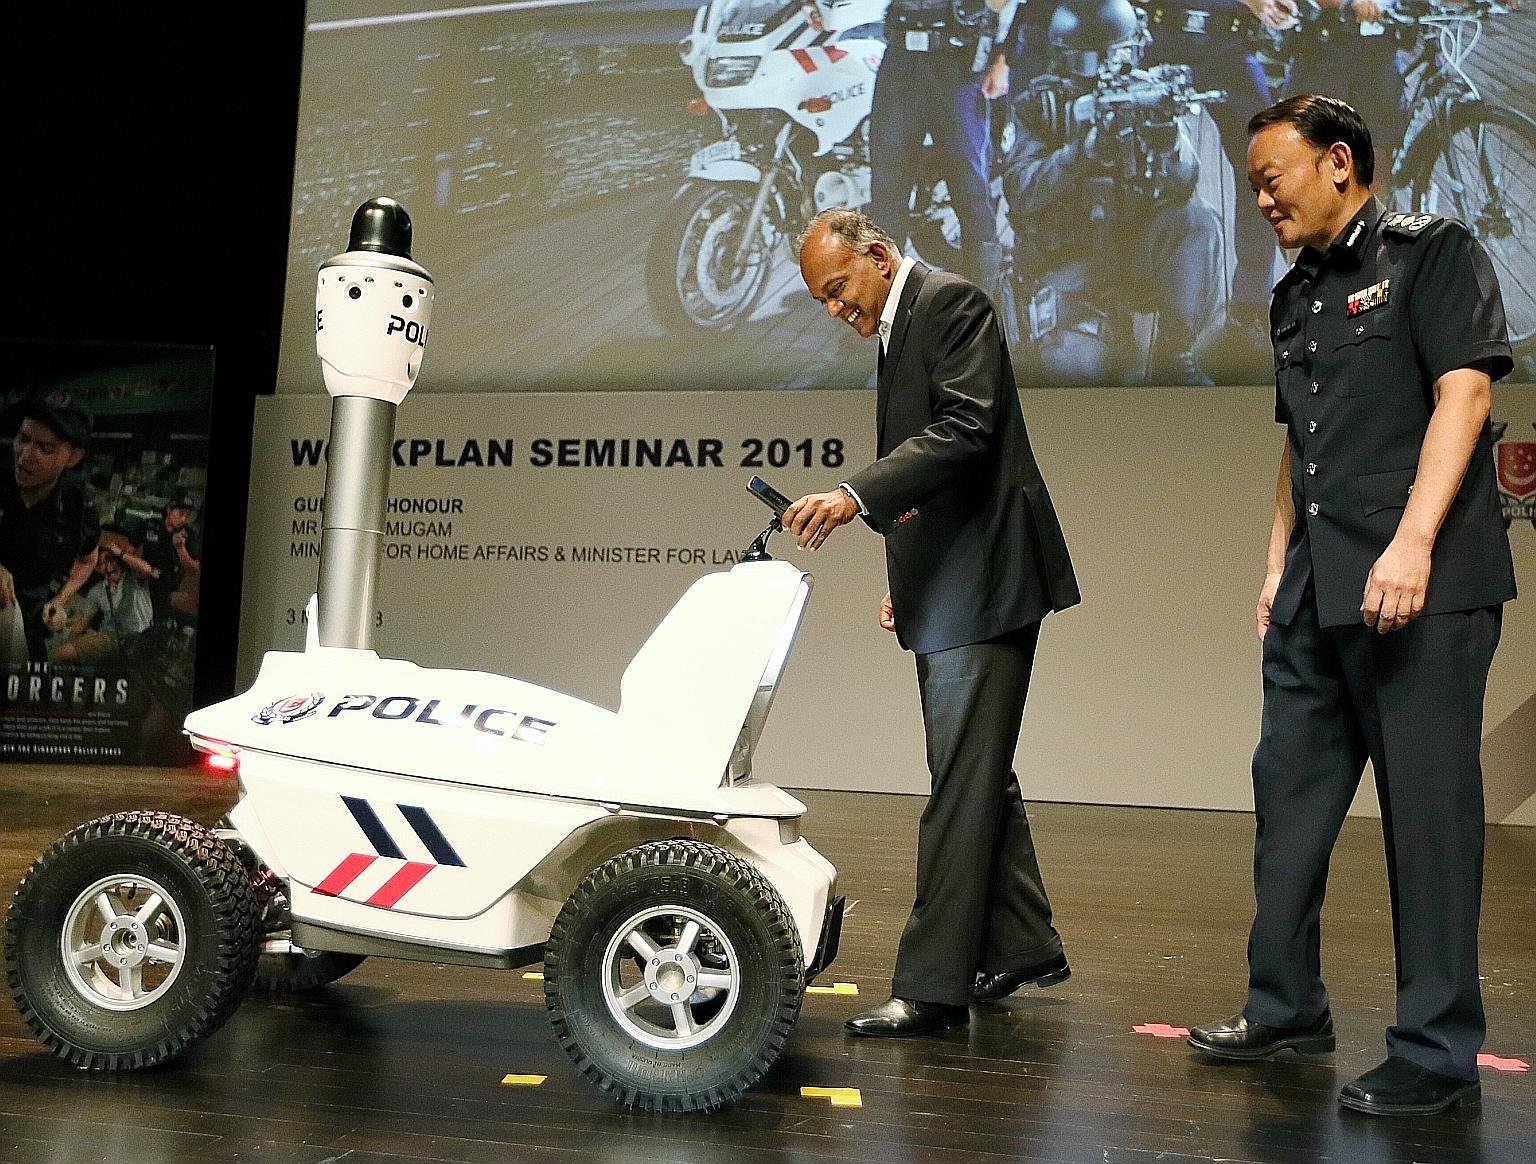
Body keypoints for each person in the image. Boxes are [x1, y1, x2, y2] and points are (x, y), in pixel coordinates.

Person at [1188, 95, 1515, 1118]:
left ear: (1339, 162)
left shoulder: (1433, 254)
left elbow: (1466, 396)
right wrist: (1273, 566)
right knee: (1286, 801)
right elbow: (1302, 443)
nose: (1261, 199)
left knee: (1428, 821)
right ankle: (1285, 1005)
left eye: (1272, 178)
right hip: (1315, 589)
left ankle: (1437, 1049)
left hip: (1425, 586)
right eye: (1251, 186)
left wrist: (1413, 543)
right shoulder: (1293, 295)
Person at [785, 207, 1081, 1037]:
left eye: (838, 288)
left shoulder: (950, 302)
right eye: (822, 300)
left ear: (879, 255)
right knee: (975, 772)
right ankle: (1022, 946)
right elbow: (935, 475)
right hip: (954, 580)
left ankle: (933, 989)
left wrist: (853, 496)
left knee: (959, 781)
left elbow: (965, 431)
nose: (835, 309)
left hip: (988, 580)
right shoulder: (899, 322)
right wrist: (908, 579)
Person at [1002, 0, 1224, 384]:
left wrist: (1167, 141)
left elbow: (1183, 183)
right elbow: (1021, 190)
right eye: (1093, 61)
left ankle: (1176, 353)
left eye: (1119, 56)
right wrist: (1080, 153)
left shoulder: (1146, 95)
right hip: (1066, 265)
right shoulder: (1039, 106)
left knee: (1197, 220)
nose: (1109, 71)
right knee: (1077, 373)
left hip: (1131, 255)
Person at [1141, 0, 1292, 366]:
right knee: (1133, 166)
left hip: (1229, 46)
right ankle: (1138, 306)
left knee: (1267, 165)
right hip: (1162, 37)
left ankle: (1249, 310)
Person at [869, 0, 1021, 297]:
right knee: (887, 194)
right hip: (900, 61)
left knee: (972, 192)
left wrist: (1004, 59)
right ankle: (884, 307)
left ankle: (985, 305)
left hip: (959, 64)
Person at [0, 393, 101, 666]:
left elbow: (88, 560)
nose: (24, 456)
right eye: (23, 439)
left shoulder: (79, 509)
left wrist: (60, 600)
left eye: (44, 448)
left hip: (28, 623)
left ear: (73, 457)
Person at [51, 538, 155, 664]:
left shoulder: (134, 577)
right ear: (99, 569)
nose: (109, 566)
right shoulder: (97, 591)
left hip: (143, 636)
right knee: (63, 653)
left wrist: (120, 553)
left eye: (112, 560)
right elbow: (82, 623)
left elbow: (147, 569)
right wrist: (69, 644)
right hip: (114, 638)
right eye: (103, 563)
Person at [118, 492, 201, 624]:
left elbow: (193, 569)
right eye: (180, 513)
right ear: (169, 510)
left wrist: (180, 548)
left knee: (158, 621)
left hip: (165, 584)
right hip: (142, 577)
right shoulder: (150, 524)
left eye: (187, 515)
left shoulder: (188, 535)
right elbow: (130, 549)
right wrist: (134, 568)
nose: (183, 519)